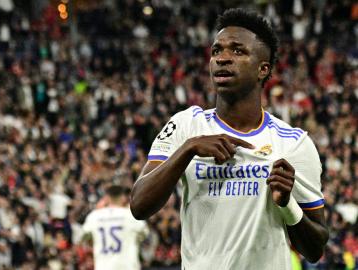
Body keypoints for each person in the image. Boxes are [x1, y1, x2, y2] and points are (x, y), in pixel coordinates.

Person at [130, 8, 329, 270]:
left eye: (237, 51)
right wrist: (188, 149)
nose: (222, 58)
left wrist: (287, 203)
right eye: (216, 51)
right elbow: (139, 205)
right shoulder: (186, 125)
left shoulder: (293, 143)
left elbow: (315, 249)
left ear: (263, 69)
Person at [82, 185, 149, 270]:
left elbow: (83, 236)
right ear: (123, 198)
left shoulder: (94, 216)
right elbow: (145, 232)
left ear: (106, 198)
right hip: (127, 266)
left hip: (103, 267)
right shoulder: (130, 215)